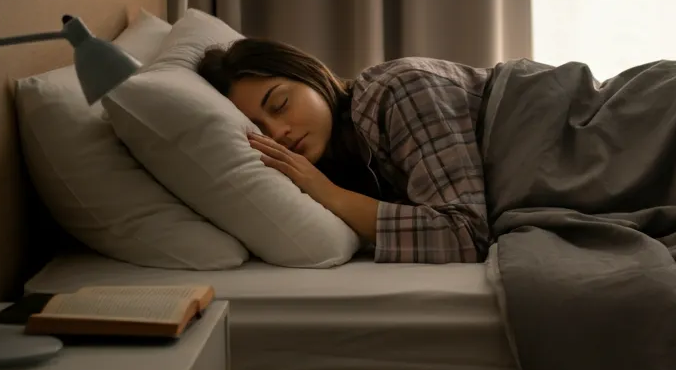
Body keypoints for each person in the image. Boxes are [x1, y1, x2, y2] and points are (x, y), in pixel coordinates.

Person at [197, 38, 492, 263]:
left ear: (309, 74)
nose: (277, 133)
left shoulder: (399, 90)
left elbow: (464, 233)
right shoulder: (344, 158)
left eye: (280, 105)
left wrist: (327, 192)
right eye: (260, 130)